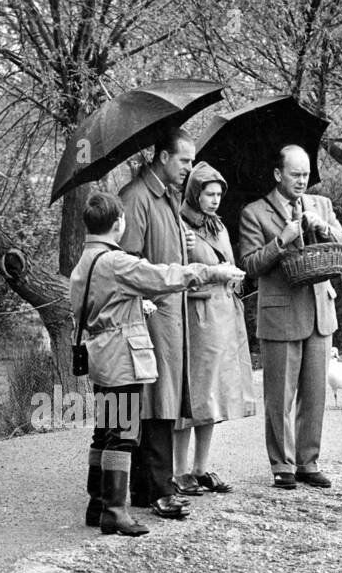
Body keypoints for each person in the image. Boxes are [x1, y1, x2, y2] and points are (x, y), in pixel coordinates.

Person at [72, 192, 243, 535]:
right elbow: (164, 276)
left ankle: (98, 503)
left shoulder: (85, 262)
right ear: (118, 224)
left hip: (101, 356)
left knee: (104, 433)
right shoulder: (115, 262)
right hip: (122, 357)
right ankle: (116, 511)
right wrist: (211, 271)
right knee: (122, 436)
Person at [238, 145, 342, 490]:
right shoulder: (254, 213)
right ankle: (282, 465)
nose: (302, 181)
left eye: (305, 174)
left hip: (320, 312)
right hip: (281, 314)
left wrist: (325, 229)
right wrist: (282, 241)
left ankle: (308, 462)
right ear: (278, 175)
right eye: (295, 174)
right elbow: (250, 265)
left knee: (315, 394)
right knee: (280, 397)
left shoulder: (322, 205)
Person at [118, 126, 197, 519]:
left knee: (163, 401)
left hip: (171, 317)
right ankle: (154, 489)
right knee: (152, 401)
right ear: (164, 157)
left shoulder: (167, 198)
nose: (190, 168)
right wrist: (147, 305)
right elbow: (128, 264)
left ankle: (153, 487)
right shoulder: (136, 198)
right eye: (184, 160)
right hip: (150, 318)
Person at [172, 162, 256, 496]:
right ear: (195, 192)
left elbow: (227, 263)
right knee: (191, 396)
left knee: (214, 395)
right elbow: (176, 270)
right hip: (196, 316)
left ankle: (201, 468)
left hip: (223, 316)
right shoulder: (179, 225)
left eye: (219, 194)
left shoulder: (218, 226)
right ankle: (179, 471)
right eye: (209, 193)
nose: (215, 200)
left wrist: (233, 275)